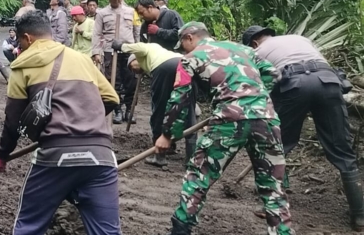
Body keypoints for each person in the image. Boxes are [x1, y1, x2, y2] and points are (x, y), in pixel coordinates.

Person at [0, 10, 121, 235]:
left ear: (27, 38)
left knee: (29, 226)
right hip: (101, 155)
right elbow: (111, 99)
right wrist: (86, 116)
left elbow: (13, 121)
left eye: (20, 41)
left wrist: (0, 155)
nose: (20, 47)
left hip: (55, 156)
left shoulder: (22, 65)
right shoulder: (82, 59)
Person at [155, 22, 292, 235]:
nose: (183, 50)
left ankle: (180, 230)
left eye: (182, 44)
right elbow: (274, 74)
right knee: (273, 188)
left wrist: (168, 134)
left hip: (229, 121)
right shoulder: (244, 49)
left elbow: (179, 98)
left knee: (199, 178)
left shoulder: (190, 59)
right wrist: (254, 98)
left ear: (190, 37)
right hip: (266, 119)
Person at [243, 26, 364, 230]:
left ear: (254, 43)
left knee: (278, 145)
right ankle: (360, 216)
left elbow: (257, 85)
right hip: (328, 81)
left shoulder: (256, 52)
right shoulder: (299, 39)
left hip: (293, 84)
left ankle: (273, 206)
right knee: (342, 149)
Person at [112, 40, 184, 167]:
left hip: (166, 67)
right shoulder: (158, 56)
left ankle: (159, 155)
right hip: (184, 63)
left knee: (158, 109)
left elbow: (139, 47)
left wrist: (121, 46)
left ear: (135, 59)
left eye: (131, 67)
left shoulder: (146, 51)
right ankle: (186, 154)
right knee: (182, 105)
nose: (133, 71)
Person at [92, 0, 139, 124]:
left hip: (128, 50)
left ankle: (129, 110)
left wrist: (138, 51)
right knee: (113, 81)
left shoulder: (131, 12)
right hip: (109, 51)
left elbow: (137, 31)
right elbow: (96, 33)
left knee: (131, 81)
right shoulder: (102, 13)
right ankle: (117, 110)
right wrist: (96, 52)